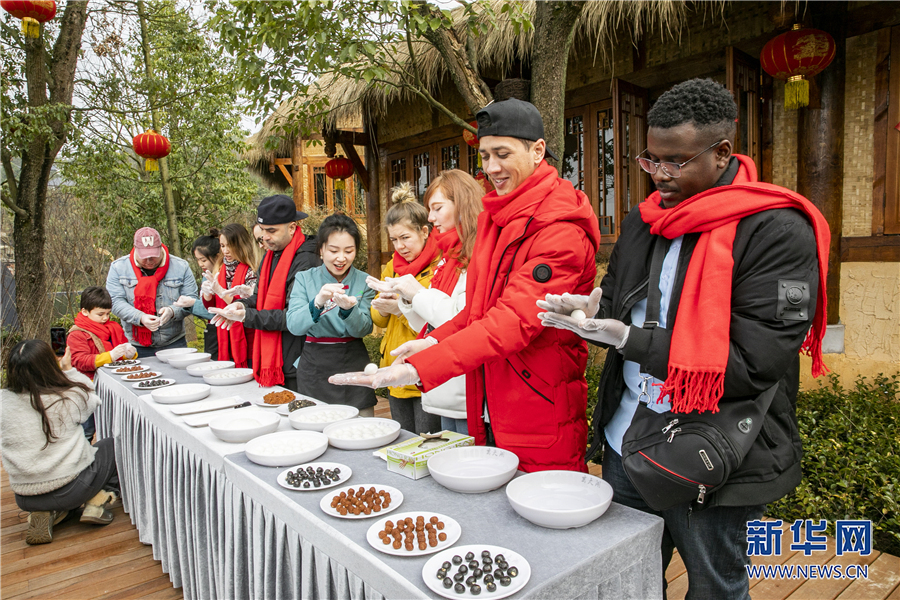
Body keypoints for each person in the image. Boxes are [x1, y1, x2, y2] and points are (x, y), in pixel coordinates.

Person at [537, 79, 830, 600]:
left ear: (721, 152)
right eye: (651, 160)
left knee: (714, 585)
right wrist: (589, 311)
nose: (660, 175)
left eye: (676, 161)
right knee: (630, 574)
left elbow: (751, 364)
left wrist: (629, 337)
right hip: (628, 436)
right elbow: (621, 307)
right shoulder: (643, 220)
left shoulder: (776, 230)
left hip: (712, 448)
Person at [331, 98, 601, 472]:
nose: (492, 168)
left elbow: (512, 321)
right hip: (487, 396)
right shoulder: (497, 218)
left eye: (502, 154)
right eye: (485, 156)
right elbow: (478, 312)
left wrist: (421, 369)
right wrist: (432, 342)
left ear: (538, 151)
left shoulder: (559, 228)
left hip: (536, 403)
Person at [388, 170, 485, 434]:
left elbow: (462, 319)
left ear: (462, 204)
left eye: (437, 208)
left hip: (463, 383)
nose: (430, 218)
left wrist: (417, 293)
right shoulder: (449, 255)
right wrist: (407, 301)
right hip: (443, 382)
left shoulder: (477, 254)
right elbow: (431, 323)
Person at [2, 341, 121, 545]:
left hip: (25, 496)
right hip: (71, 489)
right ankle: (97, 502)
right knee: (111, 445)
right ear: (49, 366)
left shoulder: (3, 401)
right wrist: (69, 370)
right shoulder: (65, 396)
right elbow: (93, 397)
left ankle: (48, 511)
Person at [208, 195, 320, 390]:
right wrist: (241, 305)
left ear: (292, 228)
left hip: (298, 359)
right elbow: (259, 298)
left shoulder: (306, 260)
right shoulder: (271, 255)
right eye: (263, 231)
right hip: (276, 356)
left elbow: (293, 317)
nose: (265, 237)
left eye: (272, 231)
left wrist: (247, 316)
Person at [366, 182, 441, 434]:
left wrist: (400, 308)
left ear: (424, 231)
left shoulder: (439, 267)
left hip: (425, 368)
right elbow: (378, 319)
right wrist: (384, 308)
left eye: (406, 238)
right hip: (395, 364)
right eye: (394, 239)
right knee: (401, 439)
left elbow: (438, 320)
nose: (400, 246)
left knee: (426, 440)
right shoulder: (392, 267)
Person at [285, 214, 377, 414]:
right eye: (333, 250)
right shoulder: (304, 278)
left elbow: (364, 329)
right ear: (321, 250)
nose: (341, 258)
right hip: (314, 365)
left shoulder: (365, 282)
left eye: (349, 251)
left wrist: (348, 309)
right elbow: (293, 325)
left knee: (362, 427)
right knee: (316, 426)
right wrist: (317, 302)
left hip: (354, 361)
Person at [106, 227, 200, 358]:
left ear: (161, 247)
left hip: (174, 343)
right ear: (135, 249)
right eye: (145, 257)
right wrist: (140, 317)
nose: (149, 260)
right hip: (135, 345)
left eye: (153, 256)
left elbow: (191, 299)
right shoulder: (118, 268)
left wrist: (172, 311)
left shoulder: (181, 267)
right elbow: (115, 302)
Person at [66, 286, 137, 440]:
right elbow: (80, 361)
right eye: (100, 314)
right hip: (87, 389)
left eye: (107, 314)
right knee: (86, 430)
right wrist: (109, 356)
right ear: (85, 311)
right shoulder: (77, 334)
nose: (105, 318)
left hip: (111, 386)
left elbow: (122, 350)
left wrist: (130, 354)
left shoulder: (113, 328)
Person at [201, 224, 258, 368]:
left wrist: (221, 291)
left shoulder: (252, 270)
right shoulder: (220, 268)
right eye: (222, 246)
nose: (225, 251)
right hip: (224, 336)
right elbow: (212, 305)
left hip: (247, 338)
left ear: (241, 245)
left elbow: (246, 304)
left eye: (229, 246)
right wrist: (207, 294)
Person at [172, 230, 224, 359]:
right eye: (198, 260)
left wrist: (192, 304)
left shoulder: (223, 276)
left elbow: (214, 310)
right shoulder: (206, 276)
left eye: (204, 260)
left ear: (217, 256)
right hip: (212, 332)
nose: (200, 264)